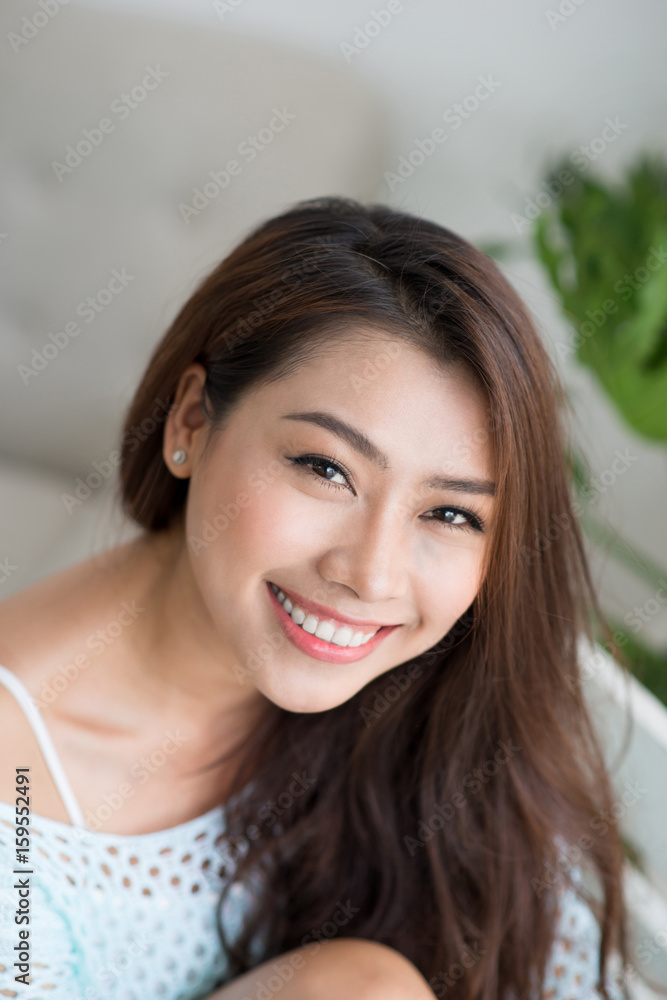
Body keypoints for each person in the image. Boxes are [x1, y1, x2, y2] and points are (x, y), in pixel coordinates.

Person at [0, 196, 636, 999]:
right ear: (192, 420)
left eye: (448, 513)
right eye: (325, 468)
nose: (370, 576)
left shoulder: (434, 702)